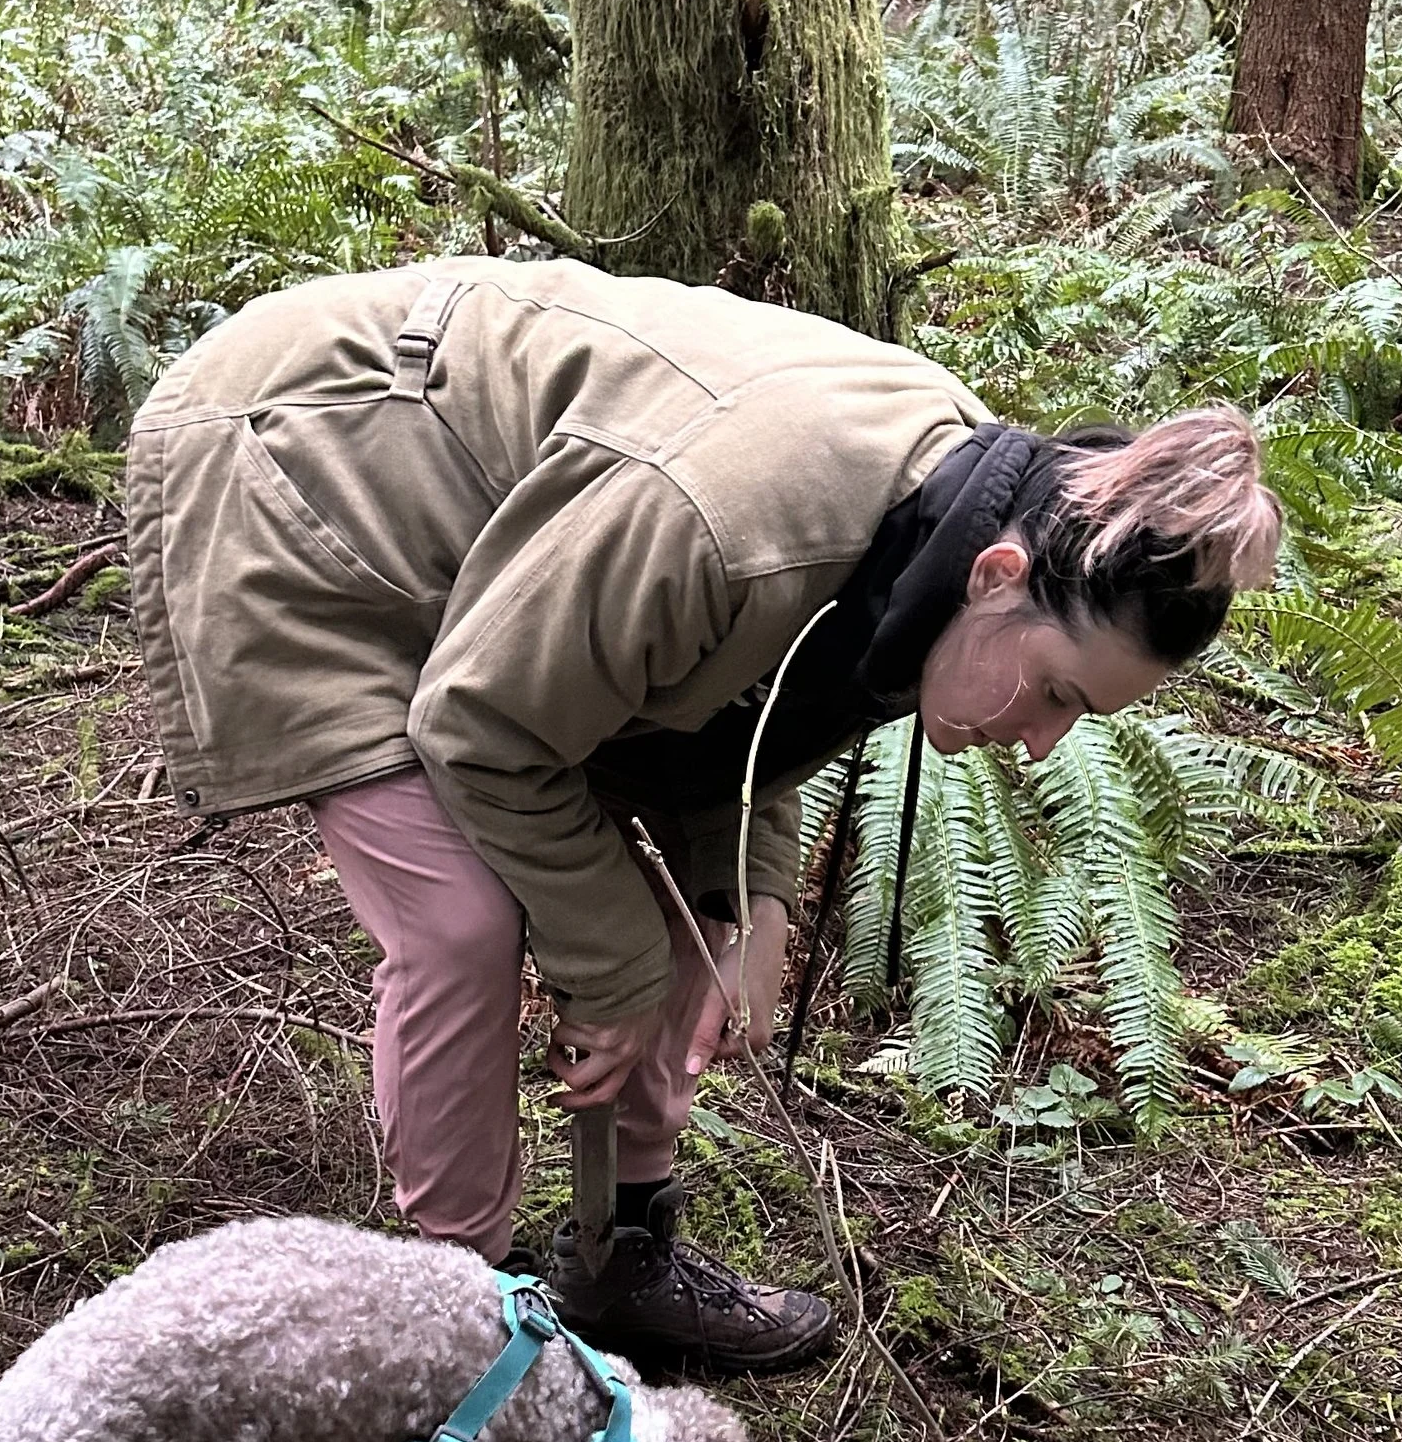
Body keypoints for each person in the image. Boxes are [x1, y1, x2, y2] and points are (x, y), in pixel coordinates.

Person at [126, 258, 1280, 1375]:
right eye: (1058, 694)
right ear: (995, 575)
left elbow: (764, 706)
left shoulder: (962, 517)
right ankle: (457, 1322)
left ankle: (622, 1253)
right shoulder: (731, 524)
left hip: (519, 556)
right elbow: (481, 724)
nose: (1039, 742)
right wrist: (613, 971)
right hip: (304, 467)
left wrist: (753, 899)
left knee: (694, 917)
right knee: (463, 924)